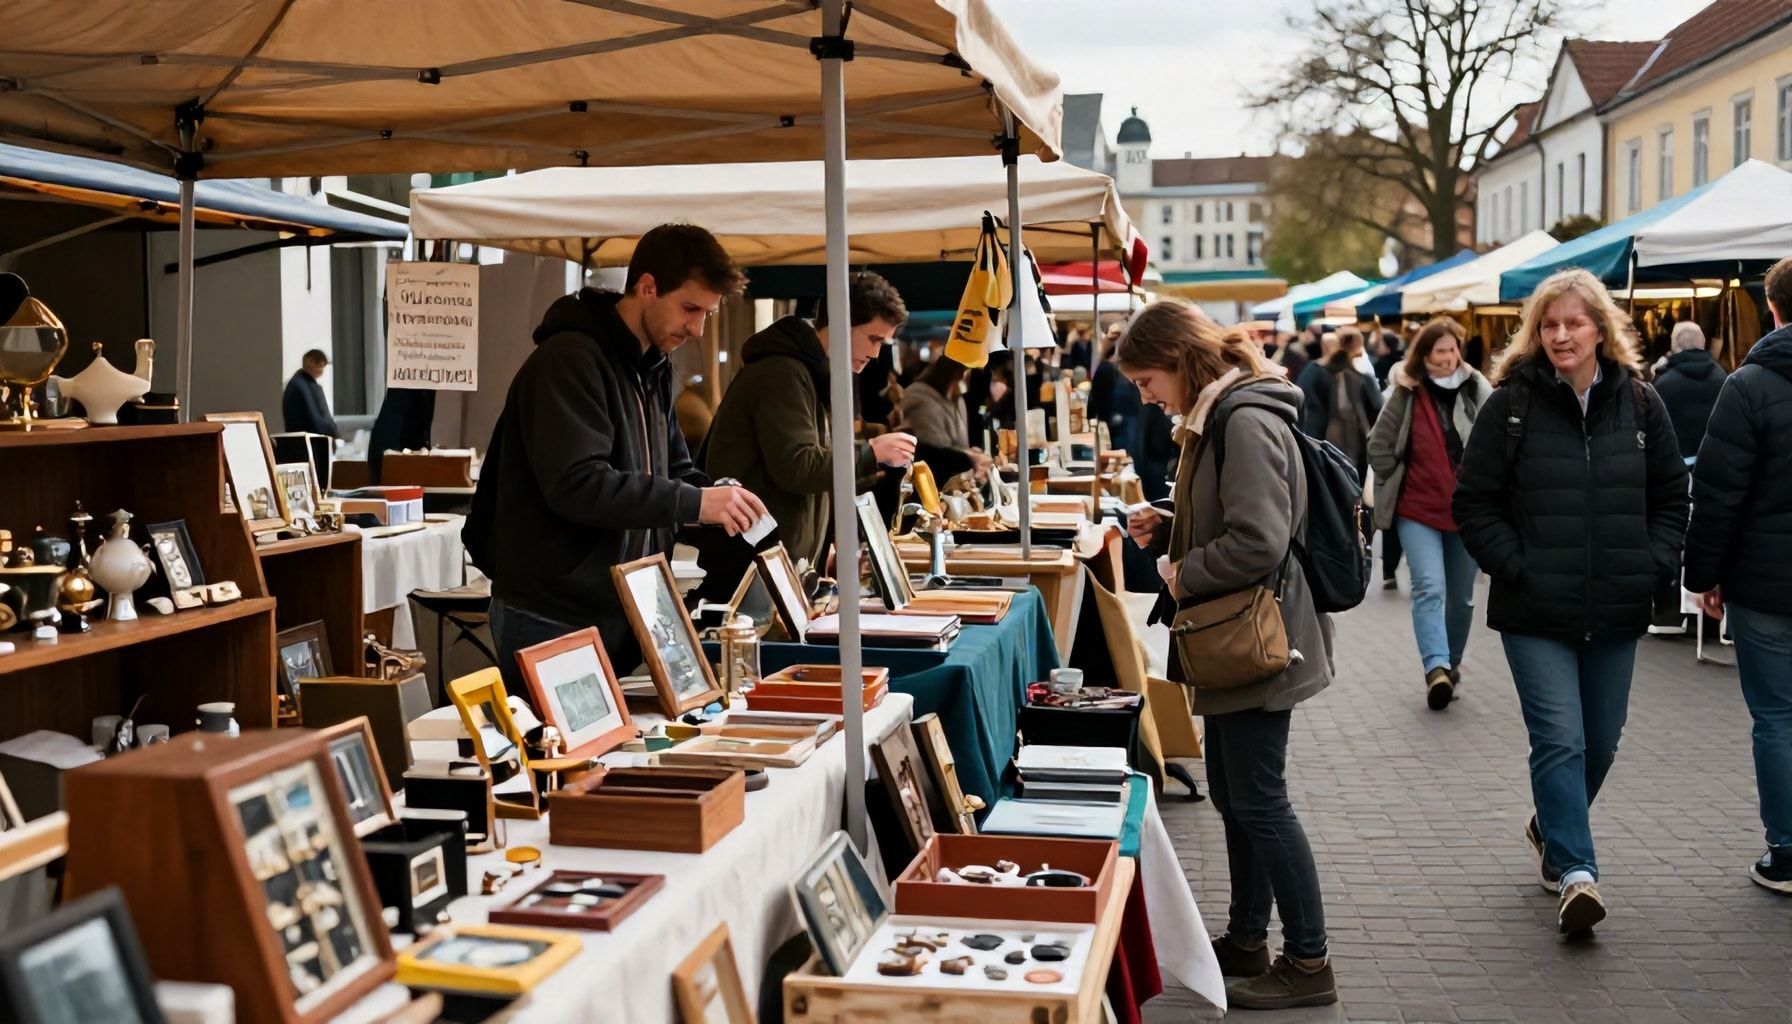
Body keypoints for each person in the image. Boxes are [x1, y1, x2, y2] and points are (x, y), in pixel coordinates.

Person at [1453, 268, 1689, 934]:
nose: (1561, 335)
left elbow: (1672, 498)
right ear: (1535, 331)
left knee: (1602, 743)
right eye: (1549, 324)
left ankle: (1551, 825)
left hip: (1616, 603)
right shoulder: (1512, 404)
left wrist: (1650, 565)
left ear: (1599, 330)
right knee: (1559, 739)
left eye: (1574, 323)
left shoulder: (1641, 404)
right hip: (1535, 611)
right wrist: (1515, 566)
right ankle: (1578, 874)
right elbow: (1474, 501)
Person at [1117, 300, 1336, 1010]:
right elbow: (1246, 519)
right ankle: (1248, 939)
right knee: (1242, 797)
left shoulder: (1239, 418)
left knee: (1259, 800)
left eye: (1149, 381)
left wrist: (1185, 571)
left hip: (1257, 638)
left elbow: (1260, 540)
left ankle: (1309, 961)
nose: (1147, 398)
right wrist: (1176, 523)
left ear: (1180, 360)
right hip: (1246, 633)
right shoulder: (1226, 413)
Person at [464, 223, 769, 697]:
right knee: (563, 766)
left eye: (708, 313)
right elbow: (579, 484)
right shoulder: (568, 360)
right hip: (554, 612)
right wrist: (694, 503)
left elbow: (673, 470)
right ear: (647, 287)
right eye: (690, 308)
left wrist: (720, 498)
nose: (697, 329)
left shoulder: (654, 368)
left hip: (627, 608)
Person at [700, 271, 918, 592]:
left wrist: (827, 545)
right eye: (873, 339)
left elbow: (813, 470)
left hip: (779, 563)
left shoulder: (809, 373)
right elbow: (798, 467)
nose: (875, 354)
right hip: (752, 569)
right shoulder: (783, 373)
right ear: (843, 323)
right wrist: (871, 452)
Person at [1683, 256, 1792, 894]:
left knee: (1776, 717)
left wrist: (1705, 575)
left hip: (1766, 581)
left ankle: (1786, 851)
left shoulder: (1747, 385)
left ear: (1771, 307)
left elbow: (1718, 493)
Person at [1367, 317, 1492, 710]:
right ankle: (1435, 666)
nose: (1449, 358)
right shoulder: (1405, 392)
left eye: (1454, 349)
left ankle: (1450, 666)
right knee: (1429, 587)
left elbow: (1495, 439)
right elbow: (1378, 446)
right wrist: (1399, 479)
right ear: (1425, 354)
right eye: (1440, 351)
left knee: (1461, 598)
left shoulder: (1476, 387)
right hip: (1417, 510)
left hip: (1467, 510)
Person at [1652, 321, 1728, 460]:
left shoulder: (1663, 384)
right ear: (1703, 343)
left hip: (1677, 464)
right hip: (1716, 460)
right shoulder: (1722, 377)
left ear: (1674, 346)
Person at [1089, 322, 1144, 458]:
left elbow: (1095, 401)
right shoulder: (1133, 366)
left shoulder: (1107, 368)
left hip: (1121, 429)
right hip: (1132, 427)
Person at [282, 349, 339, 438]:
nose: (321, 370)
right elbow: (316, 420)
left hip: (297, 441)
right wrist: (333, 433)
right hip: (309, 442)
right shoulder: (305, 386)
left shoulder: (296, 383)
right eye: (320, 365)